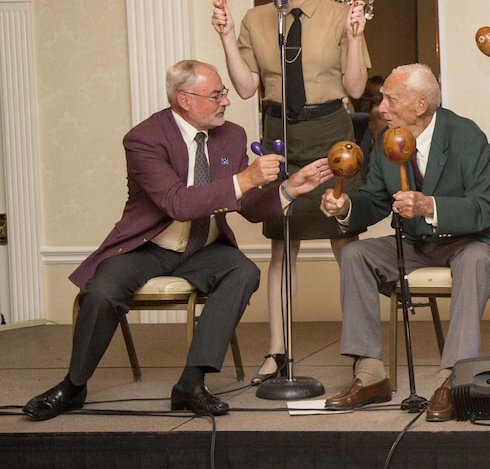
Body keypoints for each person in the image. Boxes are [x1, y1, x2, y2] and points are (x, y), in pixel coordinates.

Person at [22, 61, 329, 421]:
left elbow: (245, 204)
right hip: (146, 248)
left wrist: (289, 190)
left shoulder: (230, 136)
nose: (225, 102)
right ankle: (73, 386)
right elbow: (177, 203)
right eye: (216, 95)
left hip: (204, 248)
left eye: (224, 94)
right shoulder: (145, 138)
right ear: (184, 99)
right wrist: (245, 179)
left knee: (243, 272)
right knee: (101, 292)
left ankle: (191, 384)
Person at [211, 0, 370, 386]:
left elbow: (357, 87)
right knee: (283, 245)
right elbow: (244, 88)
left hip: (330, 131)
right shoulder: (256, 18)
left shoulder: (343, 15)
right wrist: (224, 35)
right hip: (280, 131)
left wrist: (357, 36)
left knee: (347, 244)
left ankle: (363, 350)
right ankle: (278, 352)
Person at [317, 64, 490, 422]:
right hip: (419, 243)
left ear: (421, 105)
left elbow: (485, 209)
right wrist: (346, 207)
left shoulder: (465, 135)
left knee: (473, 260)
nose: (381, 108)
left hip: (471, 238)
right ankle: (370, 375)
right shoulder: (385, 140)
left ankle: (454, 379)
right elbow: (375, 200)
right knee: (355, 254)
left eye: (391, 100)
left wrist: (428, 205)